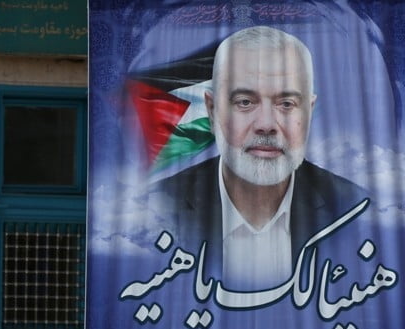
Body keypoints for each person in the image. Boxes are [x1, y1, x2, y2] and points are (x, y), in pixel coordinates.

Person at [153, 26, 366, 291]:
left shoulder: (353, 209)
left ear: (309, 112)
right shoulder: (155, 206)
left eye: (286, 104)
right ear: (211, 109)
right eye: (245, 102)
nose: (266, 125)